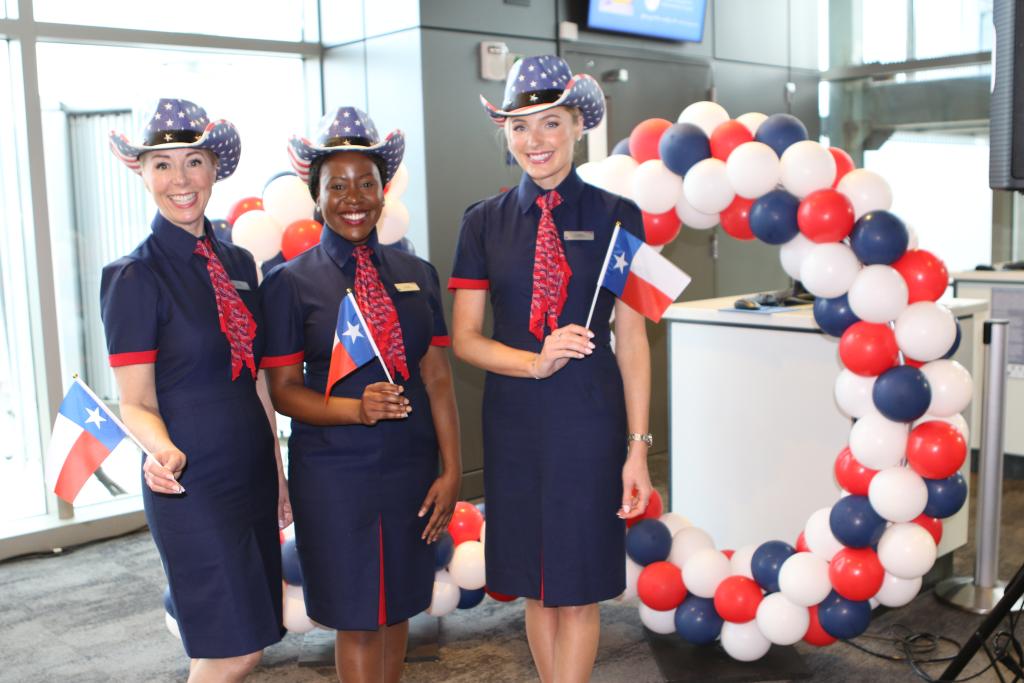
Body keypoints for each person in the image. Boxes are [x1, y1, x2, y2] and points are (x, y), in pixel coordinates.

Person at [449, 55, 654, 682]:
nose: (534, 141)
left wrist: (638, 449)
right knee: (537, 584)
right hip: (513, 420)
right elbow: (464, 338)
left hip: (589, 421)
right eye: (519, 126)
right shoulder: (482, 222)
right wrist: (533, 364)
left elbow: (634, 337)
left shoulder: (619, 215)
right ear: (505, 135)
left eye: (550, 123)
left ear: (577, 127)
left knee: (579, 584)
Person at [261, 107, 461, 683]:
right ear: (315, 196)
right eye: (338, 185)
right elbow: (284, 393)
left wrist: (452, 470)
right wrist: (357, 409)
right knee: (358, 616)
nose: (354, 197)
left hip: (411, 467)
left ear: (384, 191)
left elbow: (438, 378)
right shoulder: (289, 283)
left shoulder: (417, 273)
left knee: (398, 603)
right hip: (335, 474)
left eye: (367, 183)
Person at [101, 98, 288, 682]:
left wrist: (278, 471)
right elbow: (134, 402)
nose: (179, 180)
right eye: (162, 165)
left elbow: (254, 377)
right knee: (229, 646)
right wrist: (160, 450)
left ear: (215, 170)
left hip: (250, 469)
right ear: (143, 173)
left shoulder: (239, 263)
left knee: (253, 640)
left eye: (193, 162)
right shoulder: (135, 276)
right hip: (189, 479)